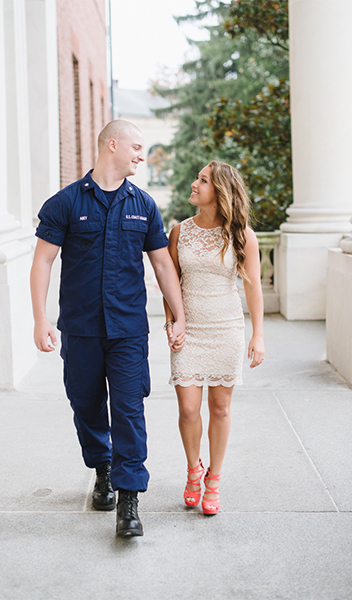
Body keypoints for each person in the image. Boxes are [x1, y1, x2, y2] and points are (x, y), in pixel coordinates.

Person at [30, 120, 186, 538]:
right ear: (111, 145)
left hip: (129, 329)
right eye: (136, 147)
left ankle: (129, 498)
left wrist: (180, 314)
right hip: (80, 328)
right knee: (85, 403)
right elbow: (43, 261)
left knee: (129, 409)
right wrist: (40, 318)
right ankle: (102, 466)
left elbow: (162, 263)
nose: (141, 154)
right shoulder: (64, 203)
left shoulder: (144, 205)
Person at [164, 161, 264, 516]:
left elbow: (253, 290)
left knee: (220, 408)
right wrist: (172, 322)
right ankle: (194, 470)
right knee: (188, 408)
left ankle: (214, 479)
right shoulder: (179, 232)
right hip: (189, 331)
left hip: (226, 329)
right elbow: (169, 282)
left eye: (202, 180)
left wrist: (258, 335)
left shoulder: (242, 235)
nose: (194, 184)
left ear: (219, 191)